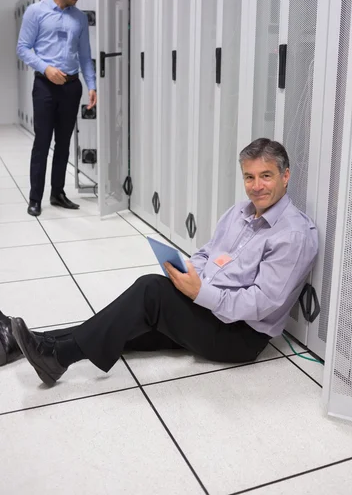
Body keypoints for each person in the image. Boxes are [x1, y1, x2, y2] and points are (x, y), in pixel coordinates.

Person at [0, 139, 318, 386]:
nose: (256, 186)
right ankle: (25, 344)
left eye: (266, 176)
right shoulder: (240, 211)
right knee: (125, 323)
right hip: (208, 307)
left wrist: (199, 294)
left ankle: (56, 359)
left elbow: (261, 303)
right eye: (249, 177)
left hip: (239, 336)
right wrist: (190, 275)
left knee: (150, 292)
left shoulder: (292, 235)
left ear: (285, 176)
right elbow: (209, 252)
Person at [16, 0, 97, 218]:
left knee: (64, 143)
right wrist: (46, 68)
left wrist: (92, 84)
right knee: (42, 142)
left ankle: (58, 193)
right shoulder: (36, 12)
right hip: (45, 86)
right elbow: (23, 48)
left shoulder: (79, 18)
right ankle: (35, 198)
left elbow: (85, 55)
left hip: (72, 87)